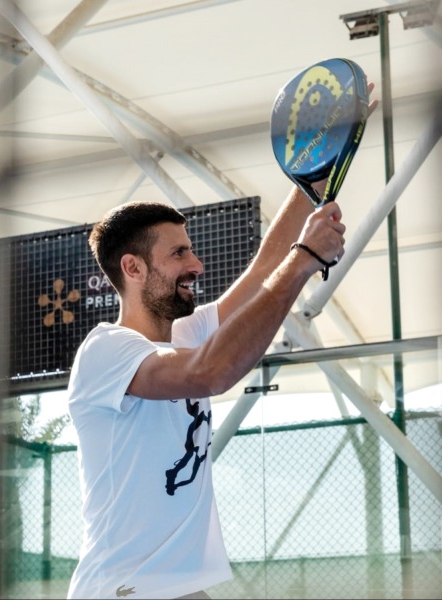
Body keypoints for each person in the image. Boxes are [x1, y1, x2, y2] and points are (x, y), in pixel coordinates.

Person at [64, 182, 347, 599]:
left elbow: (265, 268)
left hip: (180, 589)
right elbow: (210, 371)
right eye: (179, 253)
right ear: (133, 268)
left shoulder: (187, 332)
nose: (196, 264)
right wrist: (304, 260)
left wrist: (316, 169)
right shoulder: (105, 351)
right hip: (121, 590)